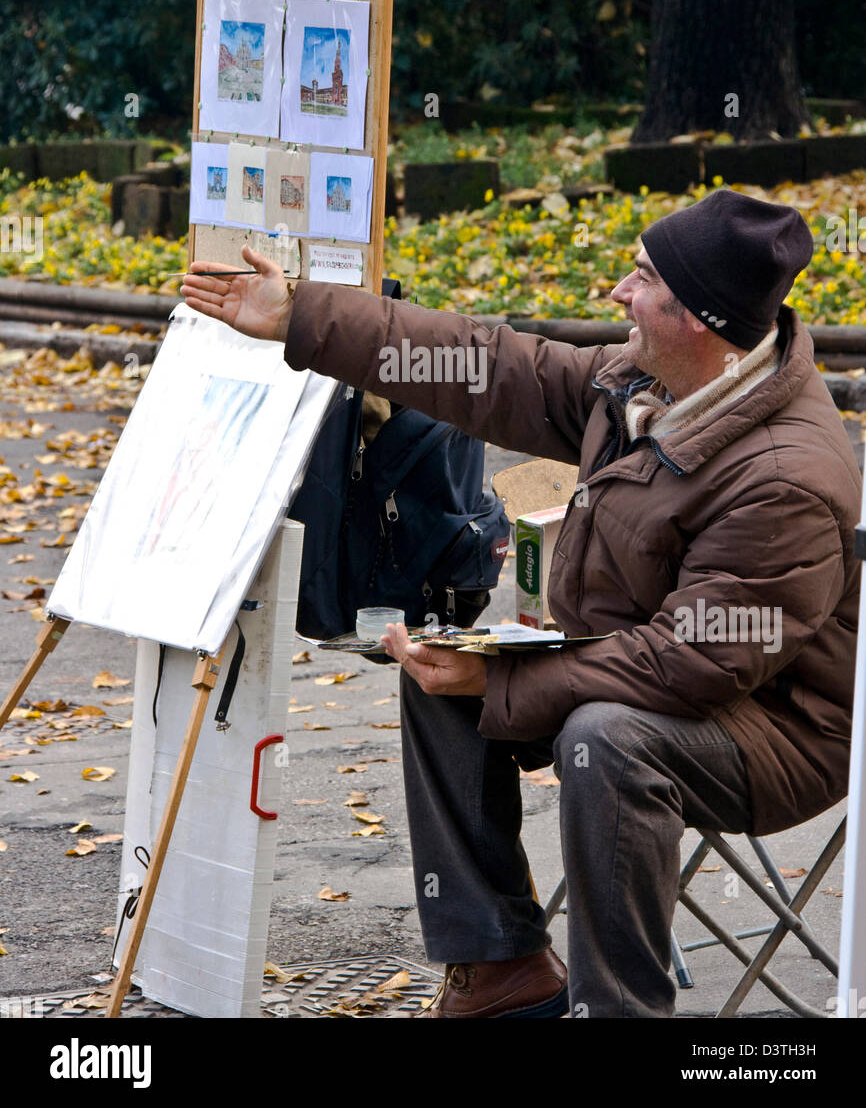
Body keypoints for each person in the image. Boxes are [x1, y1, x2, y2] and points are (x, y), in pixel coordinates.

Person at [181, 188, 860, 1019]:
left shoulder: (784, 476)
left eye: (642, 278)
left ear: (699, 319)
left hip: (772, 728)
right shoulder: (642, 381)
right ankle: (501, 965)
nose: (617, 291)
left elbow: (696, 662)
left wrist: (505, 688)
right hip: (646, 671)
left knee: (604, 739)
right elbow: (488, 365)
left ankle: (619, 1009)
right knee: (442, 663)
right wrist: (302, 318)